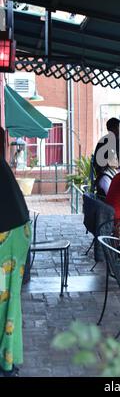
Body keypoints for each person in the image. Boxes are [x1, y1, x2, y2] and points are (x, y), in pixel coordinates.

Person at [0, 158, 31, 377]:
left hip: (6, 237)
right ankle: (7, 358)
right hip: (16, 231)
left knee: (4, 299)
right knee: (7, 298)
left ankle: (6, 362)